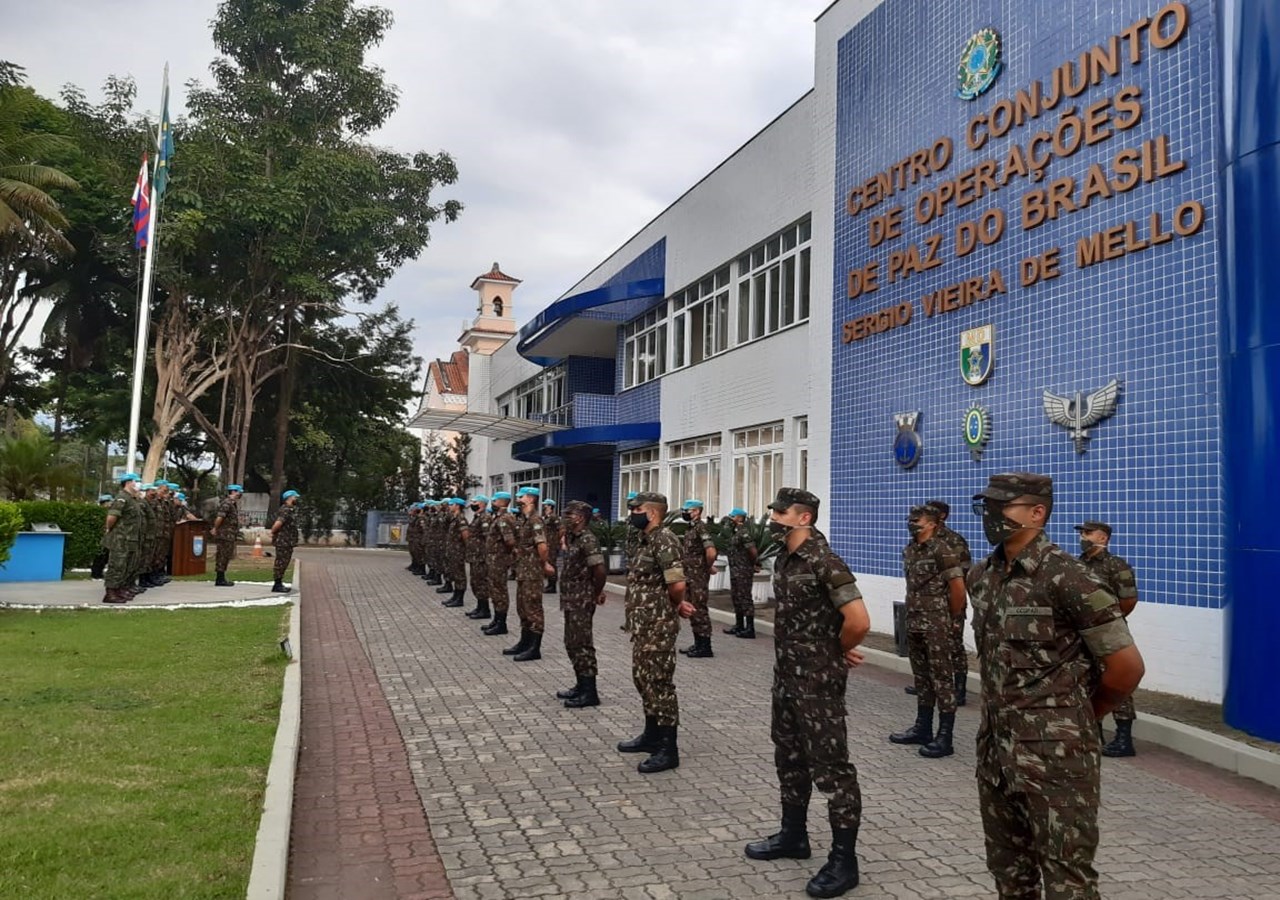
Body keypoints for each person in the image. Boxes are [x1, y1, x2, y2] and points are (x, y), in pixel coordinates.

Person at [969, 473, 1145, 900]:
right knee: (1010, 875)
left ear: (1037, 512)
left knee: (1068, 881)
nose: (992, 515)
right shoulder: (983, 576)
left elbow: (1126, 668)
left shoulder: (1071, 578)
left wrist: (1080, 717)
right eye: (988, 506)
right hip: (996, 753)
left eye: (1003, 506)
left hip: (1058, 760)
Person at [744, 487, 869, 899]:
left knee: (831, 768)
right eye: (773, 509)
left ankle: (843, 861)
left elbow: (858, 619)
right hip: (787, 678)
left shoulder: (823, 560)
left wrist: (837, 650)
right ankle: (793, 836)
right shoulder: (784, 559)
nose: (774, 517)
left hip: (818, 682)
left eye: (782, 512)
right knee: (789, 755)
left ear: (804, 518)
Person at [617, 491, 694, 774]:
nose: (631, 514)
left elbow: (676, 583)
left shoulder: (664, 539)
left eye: (636, 509)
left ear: (651, 513)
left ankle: (668, 749)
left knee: (659, 683)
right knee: (643, 679)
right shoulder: (644, 539)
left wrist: (676, 604)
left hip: (658, 625)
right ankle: (651, 736)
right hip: (642, 624)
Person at [889, 505, 966, 758]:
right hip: (914, 622)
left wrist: (951, 619)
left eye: (917, 520)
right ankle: (922, 728)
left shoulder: (943, 549)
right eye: (910, 520)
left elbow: (957, 588)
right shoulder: (910, 549)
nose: (912, 524)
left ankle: (945, 737)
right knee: (922, 678)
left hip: (936, 624)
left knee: (942, 680)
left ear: (932, 524)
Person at [1075, 519, 1141, 758]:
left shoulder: (1116, 565)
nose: (1083, 537)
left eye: (1088, 533)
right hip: (1083, 631)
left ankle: (1124, 738)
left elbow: (1129, 599)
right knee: (1088, 679)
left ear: (1103, 537)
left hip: (1108, 632)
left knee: (1113, 678)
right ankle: (1095, 732)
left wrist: (1109, 620)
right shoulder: (1078, 564)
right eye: (1082, 533)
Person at [555, 500, 607, 708]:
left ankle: (589, 692)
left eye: (570, 513)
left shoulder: (587, 539)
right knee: (572, 642)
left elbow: (600, 570)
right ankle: (580, 684)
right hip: (571, 599)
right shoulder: (573, 537)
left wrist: (595, 593)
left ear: (581, 517)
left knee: (582, 644)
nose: (565, 516)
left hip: (582, 599)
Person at [503, 487, 554, 661]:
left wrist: (545, 563)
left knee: (533, 608)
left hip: (532, 572)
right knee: (522, 607)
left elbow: (542, 546)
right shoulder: (524, 520)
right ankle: (524, 642)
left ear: (531, 499)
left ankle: (534, 647)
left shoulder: (535, 520)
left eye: (521, 496)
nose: (517, 499)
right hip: (523, 571)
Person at [677, 499, 719, 659]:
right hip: (689, 574)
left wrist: (707, 567)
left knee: (699, 608)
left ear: (696, 511)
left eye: (687, 510)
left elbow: (711, 552)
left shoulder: (701, 528)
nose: (684, 513)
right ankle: (698, 643)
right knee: (693, 607)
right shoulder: (691, 528)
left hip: (697, 576)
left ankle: (705, 646)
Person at [101, 473, 144, 604]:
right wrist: (109, 529)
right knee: (117, 565)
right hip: (121, 539)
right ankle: (110, 593)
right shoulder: (122, 498)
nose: (138, 484)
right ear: (128, 483)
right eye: (136, 481)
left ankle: (119, 589)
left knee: (126, 566)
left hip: (130, 538)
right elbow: (111, 517)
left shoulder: (132, 499)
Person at [482, 492, 517, 637]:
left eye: (494, 500)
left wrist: (504, 555)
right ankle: (496, 619)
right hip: (494, 560)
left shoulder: (504, 518)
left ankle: (501, 623)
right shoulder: (498, 517)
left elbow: (509, 541)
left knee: (499, 590)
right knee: (494, 590)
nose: (493, 503)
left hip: (499, 560)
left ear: (502, 502)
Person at [724, 507, 759, 638]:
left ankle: (750, 628)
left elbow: (753, 551)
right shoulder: (735, 532)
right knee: (736, 597)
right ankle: (739, 625)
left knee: (745, 598)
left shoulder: (744, 532)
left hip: (743, 570)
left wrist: (753, 564)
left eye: (733, 517)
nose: (730, 519)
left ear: (739, 518)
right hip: (735, 570)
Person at [464, 495, 492, 621]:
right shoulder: (477, 517)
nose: (473, 504)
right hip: (474, 555)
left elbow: (488, 538)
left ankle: (485, 609)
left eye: (475, 502)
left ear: (482, 503)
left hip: (481, 556)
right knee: (475, 582)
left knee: (481, 582)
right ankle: (480, 607)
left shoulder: (485, 517)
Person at [211, 484, 243, 587]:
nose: (240, 494)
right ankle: (220, 579)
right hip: (225, 534)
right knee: (222, 555)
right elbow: (220, 517)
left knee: (226, 555)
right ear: (233, 492)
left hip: (229, 535)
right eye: (238, 492)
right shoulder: (227, 504)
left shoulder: (232, 504)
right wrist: (215, 528)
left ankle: (222, 577)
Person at [269, 489, 301, 593]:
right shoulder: (286, 509)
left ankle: (279, 583)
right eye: (295, 497)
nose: (296, 499)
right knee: (281, 562)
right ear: (289, 498)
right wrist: (273, 532)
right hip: (283, 541)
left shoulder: (290, 509)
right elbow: (278, 523)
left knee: (284, 561)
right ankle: (277, 584)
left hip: (287, 541)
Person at [441, 499, 468, 607]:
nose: (449, 506)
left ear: (457, 506)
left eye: (451, 504)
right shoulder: (454, 518)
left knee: (459, 575)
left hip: (458, 552)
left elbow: (466, 536)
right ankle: (455, 596)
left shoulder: (461, 519)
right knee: (455, 574)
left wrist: (464, 550)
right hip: (452, 551)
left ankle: (459, 598)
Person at [90, 493, 114, 580]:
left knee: (105, 556)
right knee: (100, 556)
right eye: (109, 502)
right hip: (101, 538)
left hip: (108, 538)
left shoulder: (109, 512)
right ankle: (95, 574)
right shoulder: (99, 513)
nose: (111, 504)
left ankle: (99, 573)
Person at [542, 499, 561, 594]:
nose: (544, 507)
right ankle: (549, 584)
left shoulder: (554, 517)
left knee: (552, 563)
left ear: (550, 506)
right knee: (548, 562)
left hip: (552, 544)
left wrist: (559, 542)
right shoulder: (546, 517)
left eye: (545, 505)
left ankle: (552, 585)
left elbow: (560, 529)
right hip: (547, 544)